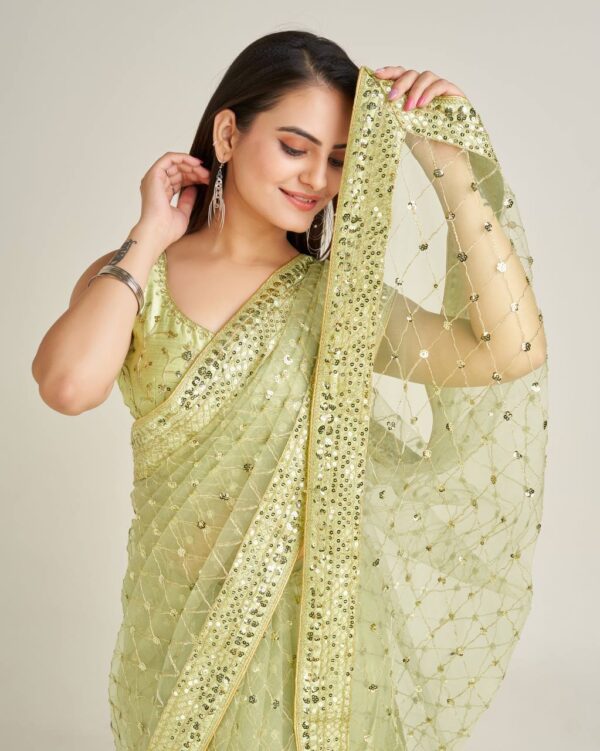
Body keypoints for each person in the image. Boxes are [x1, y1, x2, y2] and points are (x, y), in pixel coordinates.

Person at [32, 29, 549, 751]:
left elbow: (509, 350)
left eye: (338, 158)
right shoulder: (135, 277)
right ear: (228, 134)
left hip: (317, 650)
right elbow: (67, 385)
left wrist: (452, 171)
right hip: (170, 632)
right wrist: (149, 233)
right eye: (294, 147)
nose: (316, 177)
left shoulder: (336, 302)